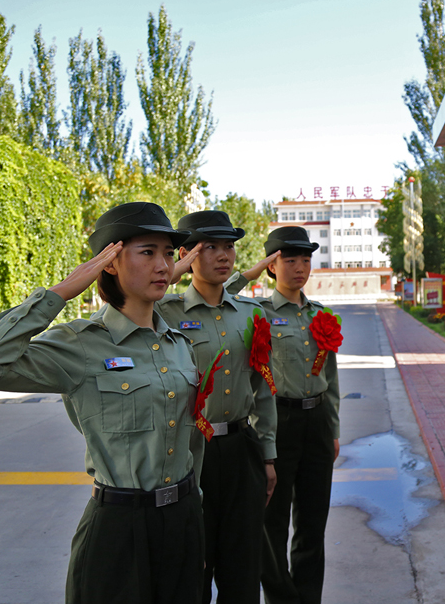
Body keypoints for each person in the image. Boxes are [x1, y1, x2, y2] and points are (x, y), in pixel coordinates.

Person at [0, 202, 205, 604]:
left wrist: (193, 507)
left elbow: (191, 440)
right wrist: (62, 291)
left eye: (168, 254)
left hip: (184, 519)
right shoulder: (80, 344)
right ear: (110, 263)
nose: (164, 265)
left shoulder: (179, 345)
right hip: (120, 526)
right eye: (148, 252)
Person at [158, 210, 278, 604]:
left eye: (229, 246)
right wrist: (168, 276)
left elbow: (262, 391)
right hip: (191, 453)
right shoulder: (164, 314)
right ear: (187, 254)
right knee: (193, 564)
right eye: (210, 246)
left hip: (242, 449)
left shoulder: (252, 314)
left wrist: (268, 454)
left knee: (243, 565)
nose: (224, 255)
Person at [228, 226, 340, 604]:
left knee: (313, 522)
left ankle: (308, 597)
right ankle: (282, 598)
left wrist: (334, 429)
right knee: (270, 525)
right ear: (272, 266)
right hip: (277, 422)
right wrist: (248, 273)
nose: (299, 267)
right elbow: (215, 295)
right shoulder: (255, 312)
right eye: (289, 260)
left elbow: (332, 378)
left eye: (305, 259)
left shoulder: (322, 315)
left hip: (318, 422)